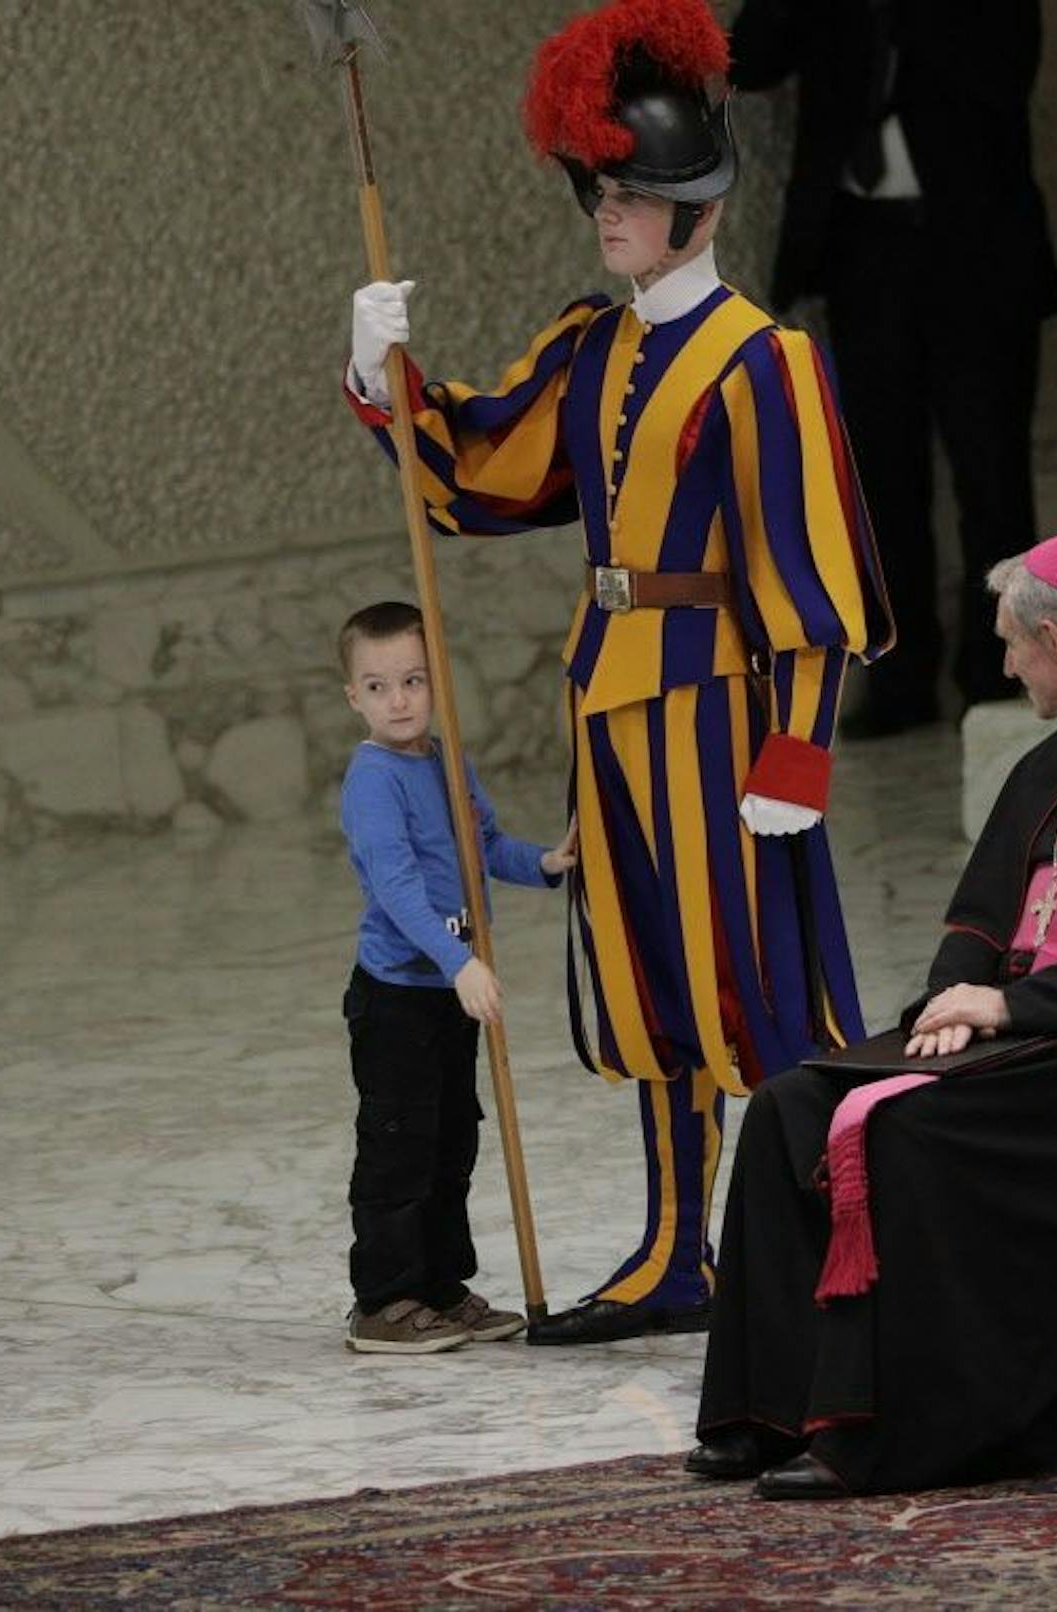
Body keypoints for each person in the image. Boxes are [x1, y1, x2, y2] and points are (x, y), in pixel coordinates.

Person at [342, 0, 893, 1346]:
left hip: (723, 706)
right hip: (613, 702)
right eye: (600, 190)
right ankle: (672, 1254)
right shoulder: (595, 346)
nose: (607, 214)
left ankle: (835, 1239)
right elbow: (479, 474)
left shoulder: (767, 362)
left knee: (757, 981)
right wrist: (382, 371)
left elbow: (813, 580)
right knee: (648, 980)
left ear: (695, 209)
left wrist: (798, 754)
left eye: (631, 195)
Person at [688, 532, 1057, 1497]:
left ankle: (904, 1432)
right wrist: (950, 1009)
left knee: (903, 1131)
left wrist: (1008, 1004)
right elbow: (976, 921)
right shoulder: (1046, 761)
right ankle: (776, 1411)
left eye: (1011, 644)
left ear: (1056, 638)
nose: (1003, 664)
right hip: (1015, 1045)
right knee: (790, 1104)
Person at [731, 0, 1057, 735]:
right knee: (881, 477)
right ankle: (901, 674)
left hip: (971, 247)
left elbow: (1001, 75)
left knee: (991, 472)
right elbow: (750, 60)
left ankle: (998, 669)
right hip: (865, 248)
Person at [335, 602, 578, 1354]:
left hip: (449, 990)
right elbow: (400, 888)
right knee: (400, 1145)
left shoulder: (449, 760)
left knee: (451, 1142)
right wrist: (462, 960)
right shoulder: (373, 781)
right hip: (401, 994)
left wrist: (543, 865)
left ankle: (438, 1285)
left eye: (412, 679)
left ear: (437, 681)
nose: (398, 699)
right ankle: (383, 1299)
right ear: (353, 698)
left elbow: (484, 847)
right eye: (378, 687)